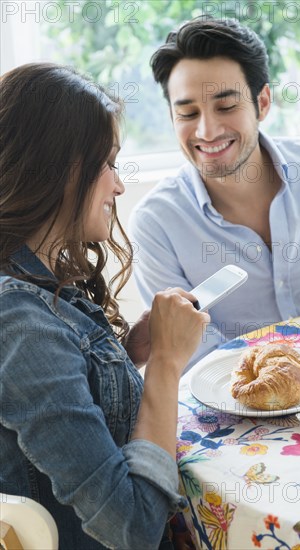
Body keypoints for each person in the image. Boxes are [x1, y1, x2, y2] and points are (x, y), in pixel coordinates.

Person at [0, 63, 210, 550]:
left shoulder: (32, 285)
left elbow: (66, 386)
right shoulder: (20, 322)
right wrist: (166, 366)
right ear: (59, 169)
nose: (118, 186)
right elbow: (133, 526)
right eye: (109, 163)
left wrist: (131, 349)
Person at [128, 17, 300, 367]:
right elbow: (197, 358)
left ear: (263, 103)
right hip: (244, 402)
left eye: (226, 107)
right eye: (188, 113)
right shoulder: (156, 224)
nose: (207, 131)